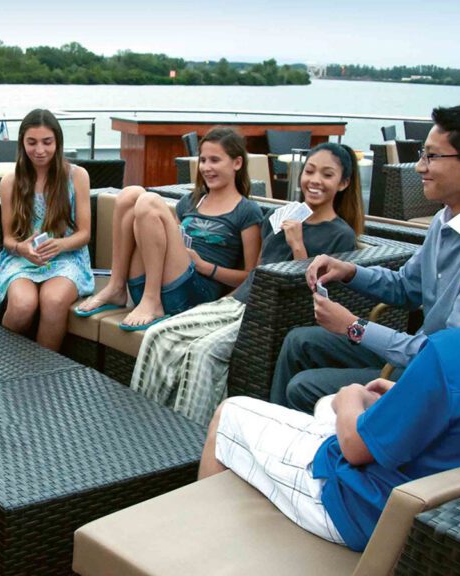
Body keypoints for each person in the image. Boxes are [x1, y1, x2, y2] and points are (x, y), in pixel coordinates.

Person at [197, 170, 460, 552]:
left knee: (232, 414)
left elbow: (355, 447)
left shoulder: (455, 354)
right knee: (319, 405)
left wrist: (350, 396)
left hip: (368, 510)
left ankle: (200, 550)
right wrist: (405, 393)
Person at [271, 103, 460, 413]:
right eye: (422, 155)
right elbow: (405, 287)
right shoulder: (444, 220)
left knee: (304, 387)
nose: (420, 167)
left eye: (432, 156)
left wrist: (354, 327)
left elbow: (450, 359)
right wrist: (348, 271)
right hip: (417, 353)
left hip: (440, 380)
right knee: (298, 342)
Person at [132, 143, 364, 424]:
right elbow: (256, 270)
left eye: (327, 175)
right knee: (159, 335)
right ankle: (146, 423)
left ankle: (190, 440)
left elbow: (312, 297)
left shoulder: (340, 236)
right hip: (237, 303)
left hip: (267, 319)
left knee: (201, 354)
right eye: (310, 171)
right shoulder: (282, 216)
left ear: (344, 183)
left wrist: (298, 246)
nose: (314, 180)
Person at [75, 127, 262, 330]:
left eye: (215, 160)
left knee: (148, 201)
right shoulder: (190, 201)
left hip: (191, 295)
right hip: (152, 285)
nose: (206, 167)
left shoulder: (247, 211)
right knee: (130, 194)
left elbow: (250, 277)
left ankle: (152, 300)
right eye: (203, 160)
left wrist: (205, 266)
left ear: (237, 162)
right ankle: (117, 287)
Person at [0, 109, 93, 351]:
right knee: (22, 305)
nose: (39, 150)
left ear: (57, 142)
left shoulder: (77, 177)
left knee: (53, 301)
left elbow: (84, 234)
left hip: (66, 257)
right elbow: (9, 240)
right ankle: (6, 362)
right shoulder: (10, 182)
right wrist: (22, 248)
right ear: (22, 143)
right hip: (22, 259)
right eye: (32, 142)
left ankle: (41, 374)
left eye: (47, 142)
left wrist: (59, 245)